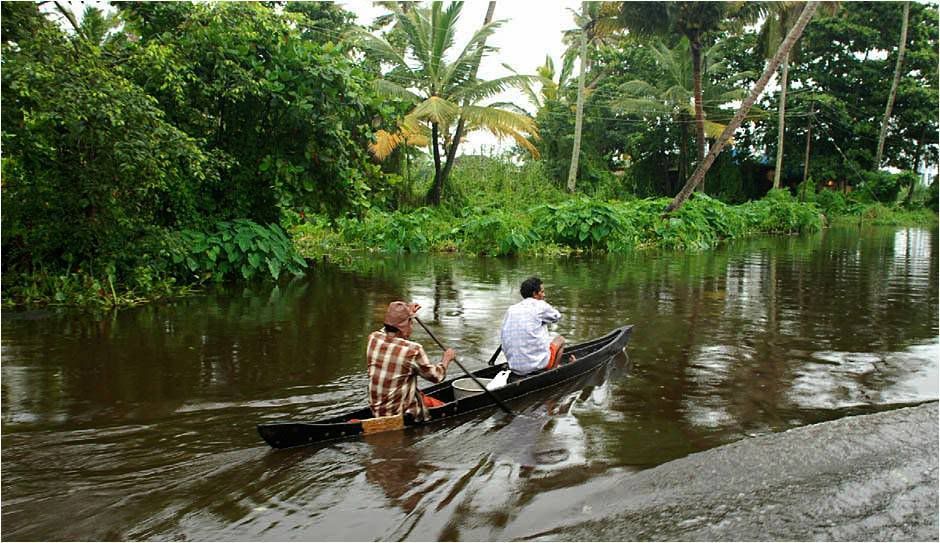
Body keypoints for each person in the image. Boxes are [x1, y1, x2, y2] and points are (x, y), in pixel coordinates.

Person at [367, 301, 455, 421]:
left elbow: (389, 328)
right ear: (403, 327)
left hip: (376, 410)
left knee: (424, 397)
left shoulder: (373, 338)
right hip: (400, 413)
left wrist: (407, 313)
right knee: (443, 407)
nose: (412, 327)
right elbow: (437, 377)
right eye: (411, 323)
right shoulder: (413, 350)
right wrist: (446, 359)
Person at [500, 276, 572, 376]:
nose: (544, 295)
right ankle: (551, 373)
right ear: (535, 294)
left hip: (515, 367)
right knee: (560, 340)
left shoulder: (511, 309)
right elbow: (557, 317)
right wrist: (543, 320)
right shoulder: (540, 305)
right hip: (535, 365)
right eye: (542, 292)